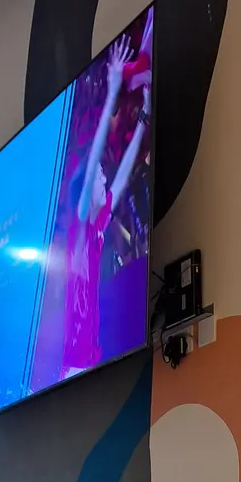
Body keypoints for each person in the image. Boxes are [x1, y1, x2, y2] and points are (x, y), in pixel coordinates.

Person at [61, 35, 151, 380]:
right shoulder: (80, 228)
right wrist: (113, 89)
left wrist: (144, 119)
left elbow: (122, 175)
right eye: (99, 175)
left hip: (86, 362)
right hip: (73, 365)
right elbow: (95, 157)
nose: (103, 178)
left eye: (101, 176)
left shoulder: (97, 230)